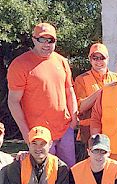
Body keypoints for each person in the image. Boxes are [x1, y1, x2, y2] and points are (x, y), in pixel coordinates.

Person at [7, 22, 78, 167]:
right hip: (39, 134)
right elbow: (13, 101)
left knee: (69, 173)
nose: (46, 44)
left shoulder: (62, 61)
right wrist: (27, 134)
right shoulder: (20, 64)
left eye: (50, 40)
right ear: (34, 39)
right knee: (45, 175)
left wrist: (74, 118)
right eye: (42, 40)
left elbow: (69, 91)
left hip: (65, 130)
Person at [74, 43, 117, 147]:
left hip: (114, 128)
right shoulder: (81, 79)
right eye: (95, 58)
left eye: (102, 58)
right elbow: (80, 107)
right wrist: (103, 90)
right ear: (90, 60)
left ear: (107, 59)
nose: (99, 61)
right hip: (89, 131)